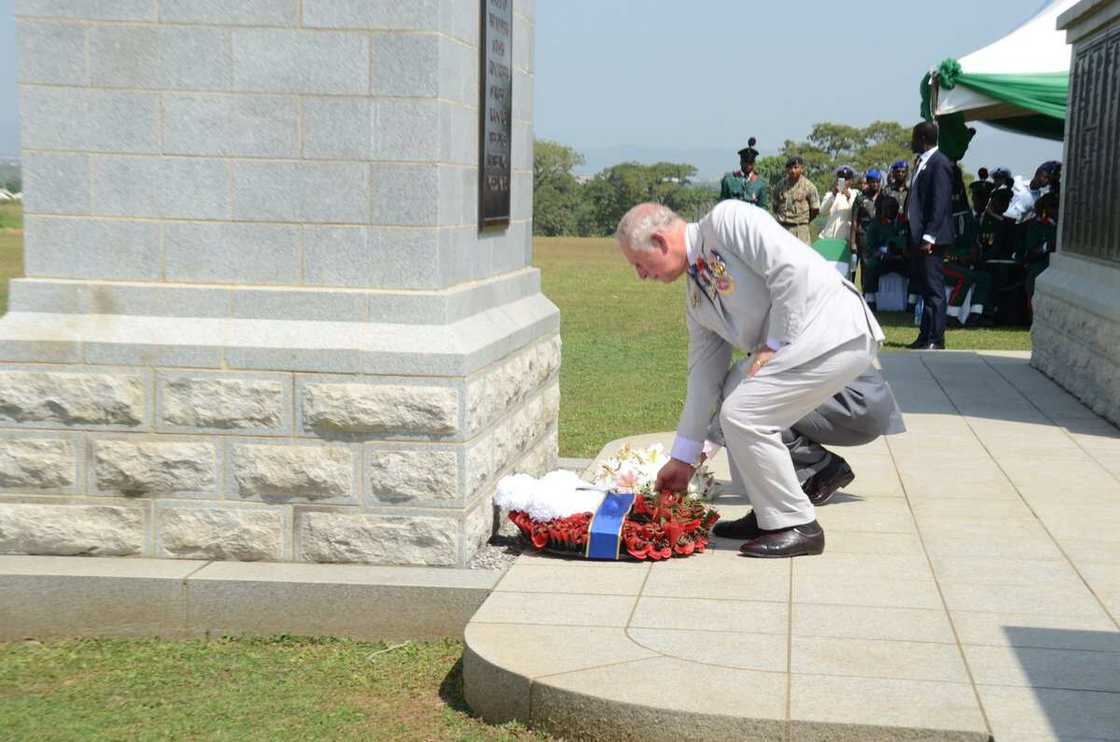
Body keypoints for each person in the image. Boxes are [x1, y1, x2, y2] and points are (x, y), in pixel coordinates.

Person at [616, 200, 884, 558]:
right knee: (730, 393)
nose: (641, 275)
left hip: (832, 328)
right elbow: (702, 378)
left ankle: (798, 524)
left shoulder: (728, 220)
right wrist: (683, 458)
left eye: (639, 263)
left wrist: (773, 344)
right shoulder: (696, 300)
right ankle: (767, 511)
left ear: (660, 241)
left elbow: (790, 271)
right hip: (800, 344)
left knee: (743, 413)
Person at [703, 363, 904, 545]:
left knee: (750, 406)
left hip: (855, 404)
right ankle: (771, 508)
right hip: (842, 397)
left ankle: (809, 492)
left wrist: (696, 457)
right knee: (748, 398)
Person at [905, 121, 955, 350]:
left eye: (914, 137)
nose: (912, 141)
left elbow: (940, 203)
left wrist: (929, 237)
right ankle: (925, 335)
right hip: (918, 236)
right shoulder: (922, 162)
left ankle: (936, 338)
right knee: (924, 289)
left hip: (930, 239)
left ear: (923, 138)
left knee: (934, 290)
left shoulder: (939, 163)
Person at [860, 195, 910, 310]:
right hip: (882, 258)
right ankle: (870, 300)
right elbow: (870, 246)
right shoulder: (875, 224)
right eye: (888, 208)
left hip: (900, 258)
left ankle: (911, 301)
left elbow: (904, 239)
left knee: (915, 267)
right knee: (871, 266)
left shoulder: (902, 222)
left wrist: (902, 252)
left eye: (893, 207)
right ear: (882, 209)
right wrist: (879, 253)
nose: (891, 210)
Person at [772, 156, 820, 244]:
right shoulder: (780, 186)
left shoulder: (809, 186)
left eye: (796, 168)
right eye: (790, 168)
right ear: (786, 170)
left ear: (802, 169)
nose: (793, 170)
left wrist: (804, 221)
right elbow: (775, 207)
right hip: (783, 228)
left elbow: (815, 209)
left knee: (802, 256)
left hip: (800, 230)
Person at [719, 137, 769, 209]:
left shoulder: (760, 184)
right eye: (745, 162)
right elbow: (722, 206)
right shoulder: (729, 181)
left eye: (750, 163)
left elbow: (763, 208)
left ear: (754, 163)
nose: (748, 165)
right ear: (741, 162)